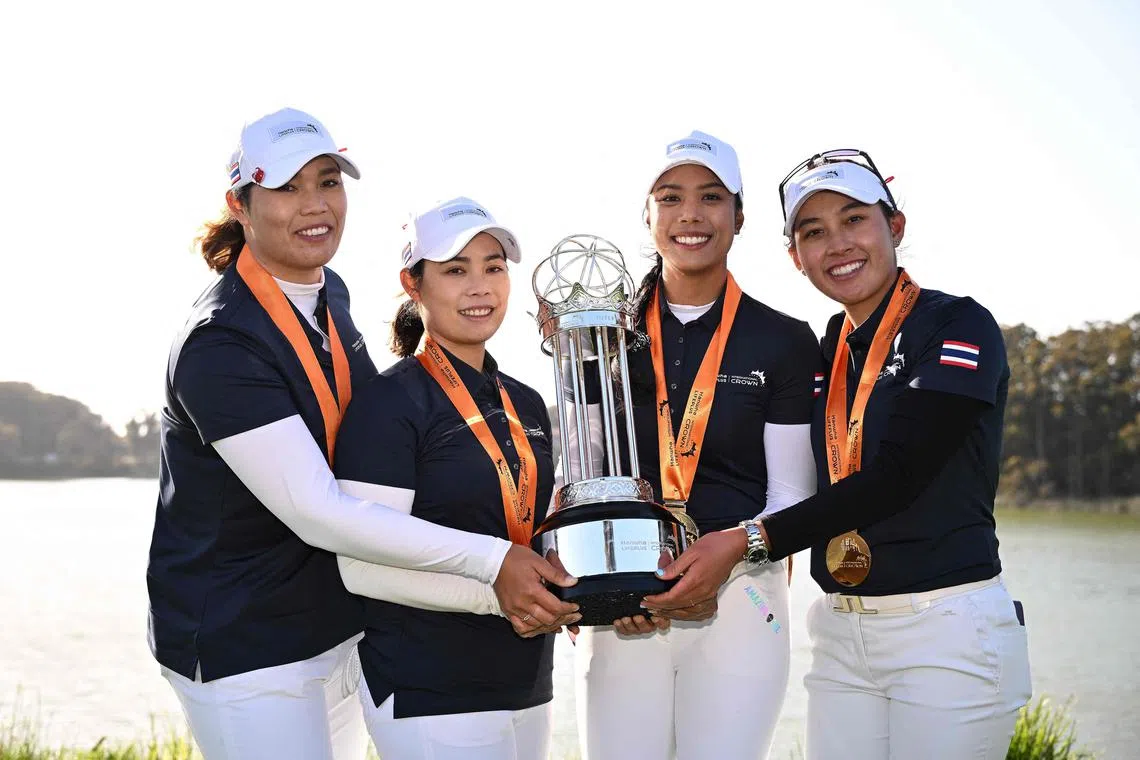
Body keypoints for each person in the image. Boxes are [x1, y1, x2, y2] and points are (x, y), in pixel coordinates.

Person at [146, 111, 573, 760]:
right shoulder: (220, 344)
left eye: (327, 182)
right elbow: (318, 513)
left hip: (336, 623)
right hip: (246, 640)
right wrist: (496, 566)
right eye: (287, 188)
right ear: (240, 204)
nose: (315, 206)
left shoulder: (328, 293)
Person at [650, 149, 1032, 759]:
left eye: (854, 220)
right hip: (840, 631)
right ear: (795, 257)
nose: (837, 245)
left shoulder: (958, 324)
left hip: (945, 628)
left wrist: (747, 542)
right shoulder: (830, 347)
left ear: (895, 226)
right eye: (813, 232)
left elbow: (899, 476)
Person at [573, 131, 822, 760]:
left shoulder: (785, 339)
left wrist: (725, 561)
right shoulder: (602, 336)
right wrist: (604, 583)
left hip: (743, 594)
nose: (690, 214)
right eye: (670, 197)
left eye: (711, 197)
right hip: (631, 598)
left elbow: (791, 492)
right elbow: (583, 475)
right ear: (648, 215)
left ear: (739, 218)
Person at [331, 197, 575, 760]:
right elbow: (362, 569)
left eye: (493, 266)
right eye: (455, 270)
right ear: (413, 285)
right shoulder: (388, 403)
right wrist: (501, 599)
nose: (479, 286)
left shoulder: (528, 402)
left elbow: (527, 533)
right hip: (428, 687)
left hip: (525, 679)